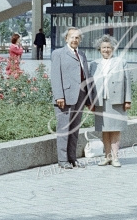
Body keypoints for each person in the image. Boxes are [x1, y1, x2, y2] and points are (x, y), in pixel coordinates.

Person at [50, 27, 95, 169]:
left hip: (80, 97)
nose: (75, 40)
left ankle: (72, 158)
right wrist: (59, 96)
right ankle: (63, 160)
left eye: (77, 38)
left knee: (75, 130)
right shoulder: (58, 54)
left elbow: (86, 76)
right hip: (65, 97)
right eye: (72, 37)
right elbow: (55, 76)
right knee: (64, 130)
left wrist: (89, 98)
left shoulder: (82, 54)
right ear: (66, 39)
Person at [88, 35, 131, 167]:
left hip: (116, 101)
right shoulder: (94, 64)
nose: (106, 50)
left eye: (108, 47)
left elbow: (127, 82)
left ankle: (116, 157)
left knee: (115, 130)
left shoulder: (121, 62)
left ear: (113, 48)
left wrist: (127, 100)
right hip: (100, 102)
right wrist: (90, 102)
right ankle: (107, 157)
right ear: (99, 49)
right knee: (104, 130)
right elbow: (90, 84)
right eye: (103, 48)